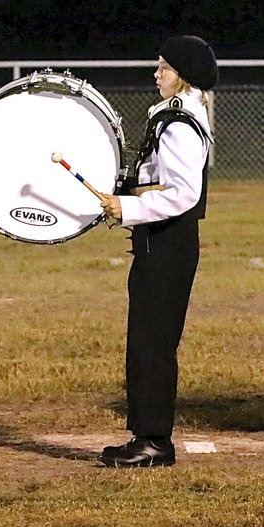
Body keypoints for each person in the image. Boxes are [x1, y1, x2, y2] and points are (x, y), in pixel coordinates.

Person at [97, 35, 216, 468]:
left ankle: (155, 442)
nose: (156, 74)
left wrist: (128, 206)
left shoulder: (181, 123)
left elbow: (184, 193)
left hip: (169, 241)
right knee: (146, 340)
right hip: (158, 239)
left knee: (153, 343)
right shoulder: (173, 117)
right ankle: (146, 437)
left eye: (164, 68)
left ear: (182, 76)